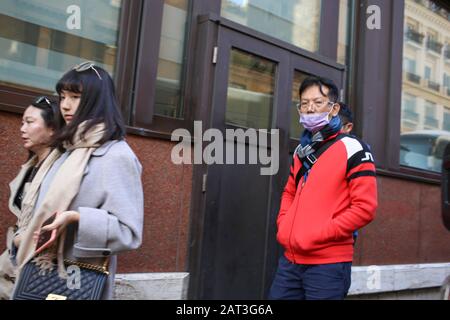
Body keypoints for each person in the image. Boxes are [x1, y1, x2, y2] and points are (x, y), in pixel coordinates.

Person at [13, 61, 144, 300]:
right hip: (38, 271)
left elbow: (128, 232)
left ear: (97, 100)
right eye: (62, 96)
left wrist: (76, 218)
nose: (65, 105)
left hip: (76, 280)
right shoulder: (66, 150)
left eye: (75, 96)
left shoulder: (116, 155)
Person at [269, 76, 378, 300]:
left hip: (328, 265)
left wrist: (319, 234)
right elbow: (289, 191)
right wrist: (284, 225)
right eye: (305, 103)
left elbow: (364, 208)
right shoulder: (303, 150)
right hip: (289, 262)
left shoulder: (353, 147)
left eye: (318, 103)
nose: (310, 109)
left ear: (334, 108)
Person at [0, 96, 62, 300]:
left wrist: (22, 239)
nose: (22, 128)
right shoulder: (31, 166)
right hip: (14, 257)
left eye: (30, 122)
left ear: (52, 128)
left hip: (39, 264)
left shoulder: (61, 169)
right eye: (21, 122)